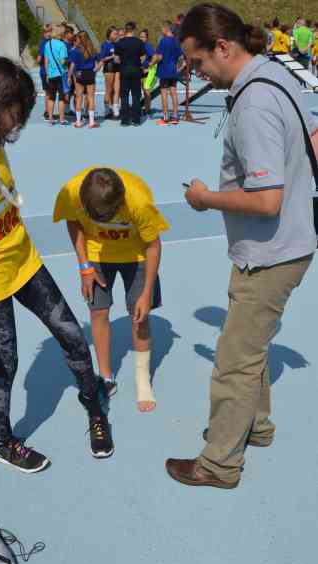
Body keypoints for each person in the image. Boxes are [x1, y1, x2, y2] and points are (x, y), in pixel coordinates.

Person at [0, 57, 114, 473]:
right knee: (5, 365)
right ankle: (4, 442)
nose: (20, 121)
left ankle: (94, 404)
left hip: (24, 262)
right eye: (17, 111)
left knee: (72, 336)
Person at [166, 3, 318, 489]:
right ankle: (256, 427)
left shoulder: (252, 105)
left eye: (198, 61)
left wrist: (205, 198)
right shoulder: (276, 73)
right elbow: (314, 135)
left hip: (270, 252)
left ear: (223, 47)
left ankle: (219, 464)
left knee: (233, 361)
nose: (197, 72)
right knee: (252, 345)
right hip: (291, 241)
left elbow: (267, 200)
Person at [53, 167, 170, 412]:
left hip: (137, 254)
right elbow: (73, 221)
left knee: (140, 316)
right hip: (96, 254)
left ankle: (142, 380)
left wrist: (146, 293)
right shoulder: (70, 193)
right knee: (98, 312)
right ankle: (106, 378)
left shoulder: (139, 201)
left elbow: (153, 246)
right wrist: (84, 267)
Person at [114, 21, 146, 126]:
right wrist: (138, 62)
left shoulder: (120, 42)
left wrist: (123, 62)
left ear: (125, 30)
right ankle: (136, 120)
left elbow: (116, 58)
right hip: (136, 69)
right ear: (134, 29)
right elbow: (143, 57)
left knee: (124, 95)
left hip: (124, 69)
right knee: (136, 95)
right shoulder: (139, 42)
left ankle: (125, 120)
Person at [152, 20, 183, 125]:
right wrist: (178, 68)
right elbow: (180, 57)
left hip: (164, 71)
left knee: (164, 93)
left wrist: (152, 63)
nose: (161, 30)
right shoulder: (176, 41)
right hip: (173, 71)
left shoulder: (163, 41)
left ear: (166, 29)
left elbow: (159, 56)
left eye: (162, 28)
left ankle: (165, 117)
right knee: (173, 93)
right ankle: (175, 116)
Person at [69, 31, 101, 128]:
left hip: (79, 73)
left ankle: (78, 121)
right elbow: (101, 61)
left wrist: (69, 76)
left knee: (79, 97)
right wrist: (96, 69)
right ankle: (91, 122)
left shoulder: (75, 51)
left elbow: (72, 65)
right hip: (90, 73)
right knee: (91, 97)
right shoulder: (92, 50)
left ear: (80, 39)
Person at [44, 24, 69, 125]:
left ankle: (50, 118)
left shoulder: (47, 44)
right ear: (60, 34)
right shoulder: (62, 45)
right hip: (61, 73)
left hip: (51, 74)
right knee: (62, 97)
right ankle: (62, 118)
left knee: (51, 97)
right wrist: (66, 62)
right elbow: (63, 61)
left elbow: (46, 61)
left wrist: (47, 73)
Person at [100, 26, 120, 119]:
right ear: (109, 34)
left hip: (117, 68)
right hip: (109, 68)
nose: (116, 36)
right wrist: (112, 57)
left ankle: (116, 108)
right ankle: (107, 109)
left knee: (117, 89)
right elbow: (102, 58)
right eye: (115, 34)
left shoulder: (116, 44)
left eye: (117, 34)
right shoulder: (105, 45)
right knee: (109, 90)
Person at [37, 24, 52, 121]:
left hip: (48, 71)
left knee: (49, 93)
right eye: (47, 32)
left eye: (50, 31)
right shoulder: (45, 43)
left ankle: (48, 111)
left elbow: (39, 59)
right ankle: (48, 111)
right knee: (49, 92)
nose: (48, 33)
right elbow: (40, 58)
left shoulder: (44, 43)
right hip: (47, 71)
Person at [139, 29, 155, 115]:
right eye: (140, 37)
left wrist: (148, 67)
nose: (141, 38)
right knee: (141, 90)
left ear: (147, 38)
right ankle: (142, 108)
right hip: (140, 71)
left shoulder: (148, 46)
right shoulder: (139, 46)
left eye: (143, 37)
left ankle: (147, 109)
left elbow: (154, 57)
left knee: (146, 90)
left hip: (147, 71)